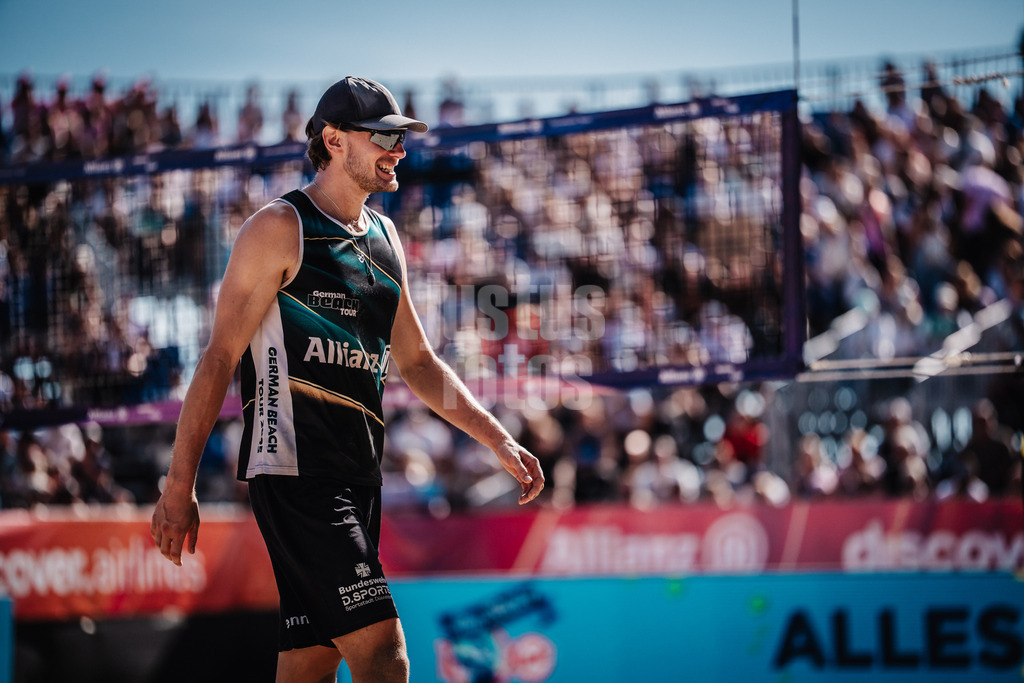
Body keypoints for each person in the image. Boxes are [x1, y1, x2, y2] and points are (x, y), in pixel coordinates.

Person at [150, 76, 545, 683]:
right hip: (295, 475)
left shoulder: (385, 238)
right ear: (334, 141)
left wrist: (498, 439)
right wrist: (180, 486)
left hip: (359, 476)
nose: (399, 150)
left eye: (400, 138)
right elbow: (218, 359)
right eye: (383, 137)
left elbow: (418, 363)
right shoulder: (279, 227)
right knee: (385, 657)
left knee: (310, 665)